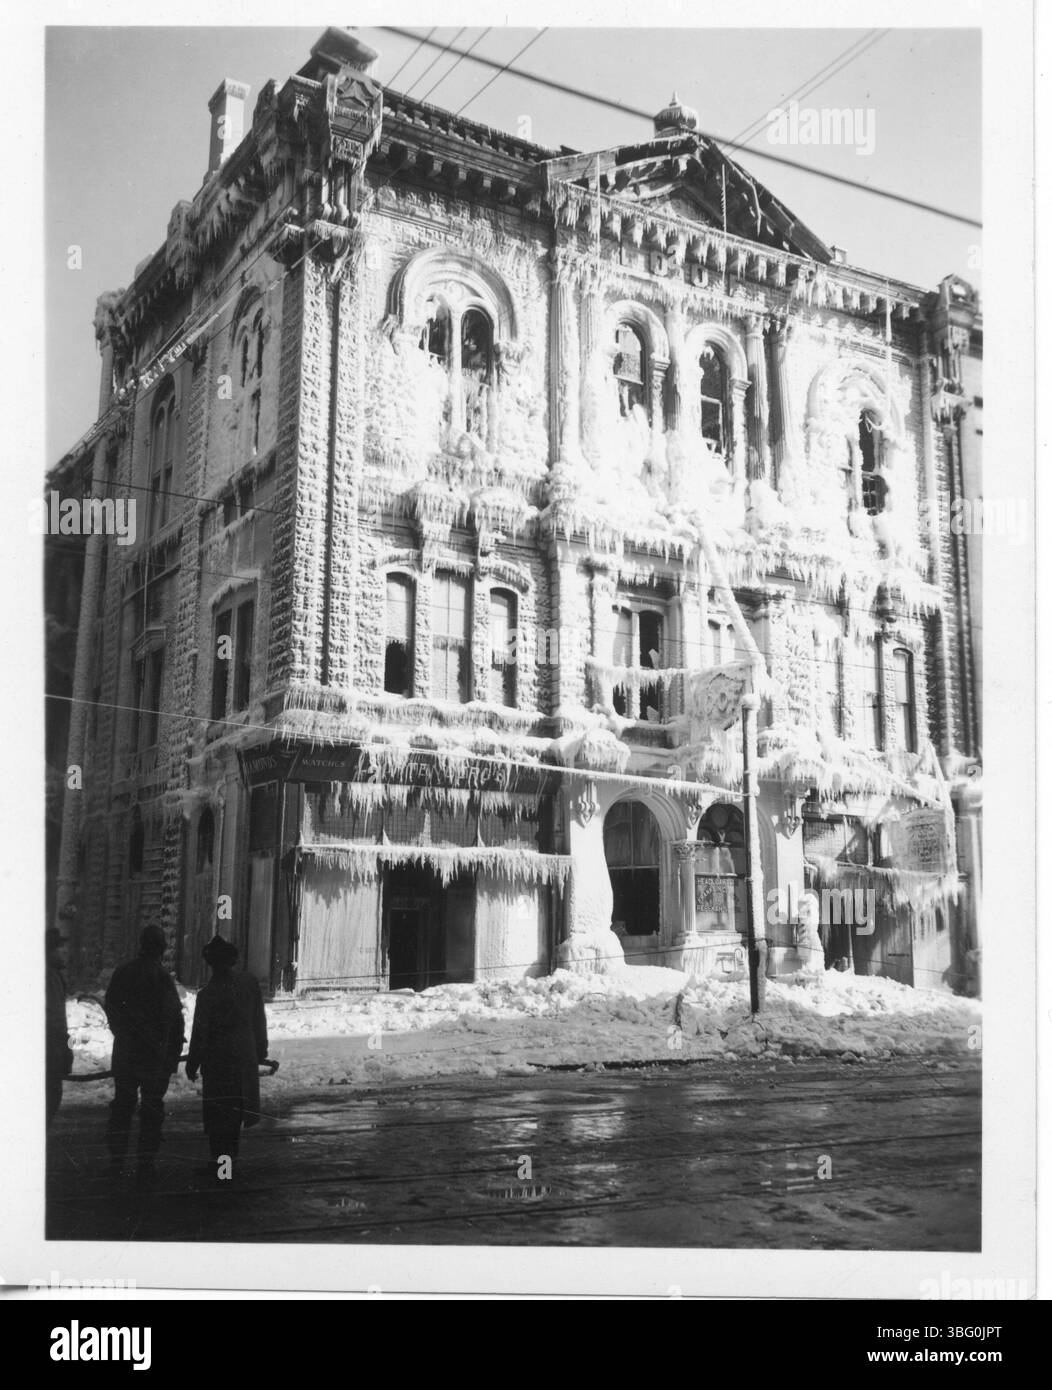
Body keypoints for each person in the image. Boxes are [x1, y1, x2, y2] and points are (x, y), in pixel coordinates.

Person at [104, 924, 185, 1183]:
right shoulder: (162, 977)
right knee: (151, 1109)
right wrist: (170, 1052)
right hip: (153, 1058)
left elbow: (112, 1008)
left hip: (127, 1054)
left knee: (122, 1106)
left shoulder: (123, 972)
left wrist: (124, 1035)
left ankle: (117, 1160)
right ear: (160, 949)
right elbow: (174, 1018)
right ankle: (145, 1163)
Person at [185, 934, 268, 1181]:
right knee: (233, 1114)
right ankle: (228, 1165)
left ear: (211, 964)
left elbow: (199, 1032)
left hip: (218, 1060)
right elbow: (259, 1020)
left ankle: (221, 1167)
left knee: (219, 1115)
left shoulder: (207, 994)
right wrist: (260, 1049)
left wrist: (193, 1062)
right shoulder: (249, 983)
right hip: (243, 1057)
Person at [46, 928, 73, 1128]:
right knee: (51, 1095)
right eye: (59, 948)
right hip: (49, 1047)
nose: (64, 952)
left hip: (51, 1045)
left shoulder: (53, 974)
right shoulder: (49, 977)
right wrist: (66, 1048)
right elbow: (55, 1019)